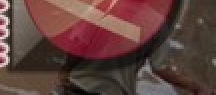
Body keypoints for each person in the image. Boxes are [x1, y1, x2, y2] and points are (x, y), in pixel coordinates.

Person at [58, 32, 215, 95]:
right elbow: (160, 69)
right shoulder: (156, 24)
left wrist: (65, 72)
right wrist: (195, 86)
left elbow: (76, 44)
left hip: (77, 87)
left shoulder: (100, 6)